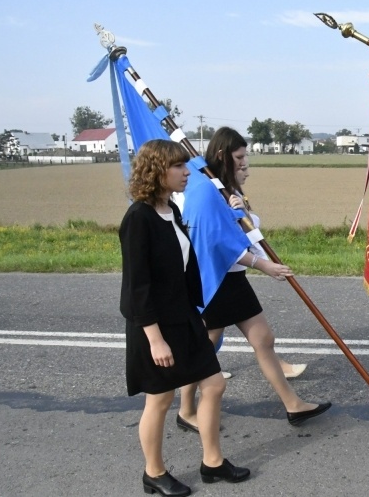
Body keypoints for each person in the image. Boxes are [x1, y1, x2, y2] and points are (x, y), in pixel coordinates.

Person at [177, 127, 330, 431]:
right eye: (239, 156)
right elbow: (216, 243)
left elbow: (241, 229)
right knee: (205, 349)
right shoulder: (207, 190)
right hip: (216, 280)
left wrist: (240, 209)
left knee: (262, 339)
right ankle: (185, 410)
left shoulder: (221, 188)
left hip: (232, 278)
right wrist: (264, 265)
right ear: (222, 155)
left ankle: (293, 405)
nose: (245, 162)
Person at [120, 140, 249, 496]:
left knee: (214, 384)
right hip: (155, 325)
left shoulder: (170, 212)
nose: (186, 172)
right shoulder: (138, 219)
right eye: (178, 167)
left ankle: (212, 462)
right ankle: (154, 472)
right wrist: (155, 338)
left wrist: (198, 307)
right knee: (159, 400)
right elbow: (136, 286)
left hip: (185, 317)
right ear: (157, 171)